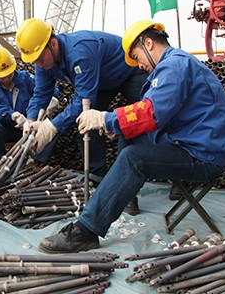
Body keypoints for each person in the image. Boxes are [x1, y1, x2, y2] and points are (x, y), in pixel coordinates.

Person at [38, 20, 225, 253]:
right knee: (129, 136)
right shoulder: (173, 64)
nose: (138, 65)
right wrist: (117, 126)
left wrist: (106, 119)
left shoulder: (174, 67)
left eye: (136, 57)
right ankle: (123, 193)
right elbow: (159, 114)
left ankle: (86, 231)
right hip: (189, 141)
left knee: (133, 159)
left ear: (148, 43)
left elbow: (151, 112)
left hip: (202, 156)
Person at [15, 18, 147, 187]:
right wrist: (31, 119)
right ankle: (95, 176)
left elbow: (84, 99)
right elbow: (41, 93)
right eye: (34, 60)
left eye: (39, 58)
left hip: (129, 72)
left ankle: (163, 176)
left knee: (145, 117)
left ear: (53, 44)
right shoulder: (43, 63)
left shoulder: (80, 52)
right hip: (102, 83)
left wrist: (52, 127)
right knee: (87, 122)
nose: (37, 64)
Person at [0, 47, 58, 164]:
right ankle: (1, 163)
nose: (6, 78)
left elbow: (46, 88)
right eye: (2, 77)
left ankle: (37, 162)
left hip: (27, 128)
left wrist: (52, 98)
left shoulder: (26, 78)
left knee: (51, 125)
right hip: (4, 130)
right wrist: (13, 116)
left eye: (9, 74)